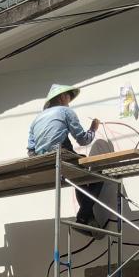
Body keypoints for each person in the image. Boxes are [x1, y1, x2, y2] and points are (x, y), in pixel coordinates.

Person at [26, 83, 102, 230]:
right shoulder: (66, 112)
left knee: (79, 178)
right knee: (98, 175)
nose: (69, 101)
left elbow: (31, 151)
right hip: (61, 156)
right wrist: (93, 129)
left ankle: (87, 218)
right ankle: (83, 216)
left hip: (43, 162)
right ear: (62, 97)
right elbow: (83, 140)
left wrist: (43, 157)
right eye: (69, 97)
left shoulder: (36, 119)